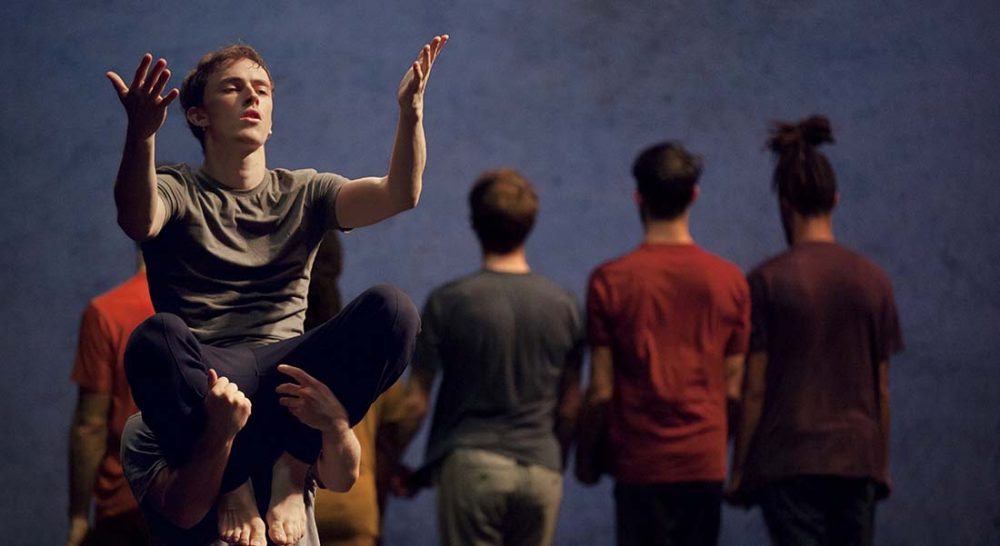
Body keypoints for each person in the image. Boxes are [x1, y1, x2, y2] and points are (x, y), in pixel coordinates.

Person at [106, 35, 447, 546]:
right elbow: (137, 218)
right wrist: (140, 135)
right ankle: (232, 483)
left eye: (262, 90)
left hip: (288, 367)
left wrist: (411, 113)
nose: (252, 97)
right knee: (155, 339)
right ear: (198, 115)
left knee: (394, 310)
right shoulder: (178, 187)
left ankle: (292, 466)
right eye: (234, 89)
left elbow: (400, 194)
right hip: (212, 374)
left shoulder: (303, 190)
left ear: (271, 117)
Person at [727, 116, 904, 546]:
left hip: (789, 459)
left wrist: (740, 469)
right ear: (836, 200)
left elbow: (755, 388)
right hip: (855, 458)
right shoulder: (874, 280)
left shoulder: (766, 281)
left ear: (784, 204)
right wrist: (878, 464)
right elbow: (880, 388)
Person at [577, 143, 750, 546]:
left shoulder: (610, 280)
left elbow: (601, 389)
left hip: (639, 464)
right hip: (703, 463)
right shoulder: (731, 281)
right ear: (694, 195)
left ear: (638, 197)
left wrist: (585, 460)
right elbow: (735, 388)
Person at [405, 169, 584, 546]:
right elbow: (569, 408)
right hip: (541, 469)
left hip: (472, 467)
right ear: (530, 224)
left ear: (474, 224)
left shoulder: (449, 302)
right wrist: (553, 461)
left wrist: (393, 461)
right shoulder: (565, 305)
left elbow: (415, 404)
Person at [303, 234, 414, 546]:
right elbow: (385, 447)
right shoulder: (369, 344)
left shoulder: (268, 340)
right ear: (338, 264)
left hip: (284, 510)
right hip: (353, 507)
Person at [67, 258, 154, 546]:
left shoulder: (107, 311)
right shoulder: (211, 310)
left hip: (124, 502)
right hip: (196, 501)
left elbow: (90, 425)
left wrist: (79, 516)